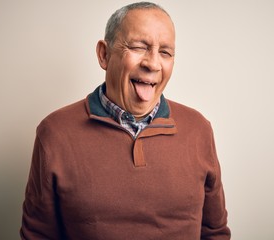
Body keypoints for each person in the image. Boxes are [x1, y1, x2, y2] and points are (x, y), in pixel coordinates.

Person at [20, 2, 231, 239]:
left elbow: (215, 232)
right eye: (139, 47)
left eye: (165, 52)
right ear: (104, 54)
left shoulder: (198, 129)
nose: (152, 64)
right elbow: (38, 235)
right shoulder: (55, 132)